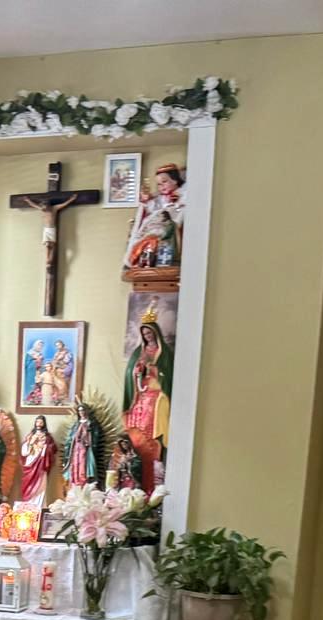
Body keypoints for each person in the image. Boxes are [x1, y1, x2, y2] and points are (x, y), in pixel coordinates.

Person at [122, 303, 172, 467]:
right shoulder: (139, 352)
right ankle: (135, 457)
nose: (147, 336)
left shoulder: (165, 353)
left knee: (152, 423)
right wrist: (137, 371)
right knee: (137, 425)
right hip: (140, 394)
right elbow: (130, 372)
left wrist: (155, 369)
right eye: (144, 333)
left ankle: (154, 458)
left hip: (157, 393)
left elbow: (169, 374)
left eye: (150, 332)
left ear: (155, 332)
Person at [122, 162, 186, 270]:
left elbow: (178, 213)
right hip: (153, 227)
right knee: (144, 242)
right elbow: (151, 210)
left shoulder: (183, 195)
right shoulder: (158, 199)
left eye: (164, 182)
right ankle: (143, 261)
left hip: (168, 228)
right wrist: (146, 202)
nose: (161, 186)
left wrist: (172, 207)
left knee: (156, 241)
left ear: (175, 180)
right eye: (159, 184)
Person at [17, 415, 56, 507]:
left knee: (41, 486)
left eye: (41, 422)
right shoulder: (30, 436)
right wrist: (30, 443)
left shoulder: (47, 437)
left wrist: (46, 449)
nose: (39, 424)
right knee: (28, 484)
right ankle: (29, 505)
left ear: (44, 424)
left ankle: (39, 507)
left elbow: (53, 449)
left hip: (41, 463)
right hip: (31, 461)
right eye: (37, 422)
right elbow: (24, 452)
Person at [64, 396, 101, 487]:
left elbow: (96, 435)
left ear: (87, 411)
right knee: (76, 463)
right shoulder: (76, 424)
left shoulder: (92, 423)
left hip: (87, 448)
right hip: (76, 448)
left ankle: (85, 482)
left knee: (84, 465)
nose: (82, 412)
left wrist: (89, 435)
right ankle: (76, 482)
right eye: (80, 411)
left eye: (83, 410)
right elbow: (70, 437)